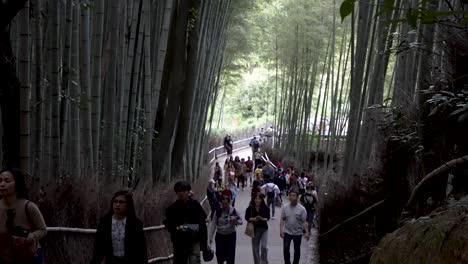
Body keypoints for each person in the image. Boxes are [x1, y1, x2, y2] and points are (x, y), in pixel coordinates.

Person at [0, 168, 47, 264]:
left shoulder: (29, 207)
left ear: (17, 183)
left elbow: (43, 230)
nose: (2, 184)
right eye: (0, 181)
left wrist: (29, 237)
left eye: (7, 181)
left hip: (30, 257)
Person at [91, 190, 147, 264]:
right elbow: (98, 249)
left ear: (128, 205)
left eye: (121, 202)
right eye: (115, 201)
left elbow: (141, 250)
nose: (117, 204)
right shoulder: (104, 222)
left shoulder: (135, 224)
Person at [164, 181, 208, 264]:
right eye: (179, 191)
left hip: (194, 240)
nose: (181, 193)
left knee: (194, 261)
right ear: (176, 193)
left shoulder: (195, 205)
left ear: (188, 192)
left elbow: (202, 225)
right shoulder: (172, 208)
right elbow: (168, 224)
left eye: (184, 191)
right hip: (179, 243)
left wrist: (204, 244)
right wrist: (176, 228)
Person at [209, 192, 243, 264]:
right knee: (219, 254)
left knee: (230, 256)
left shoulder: (233, 210)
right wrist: (210, 237)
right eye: (222, 204)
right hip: (220, 236)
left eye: (226, 204)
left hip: (230, 236)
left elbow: (241, 222)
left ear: (229, 203)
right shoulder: (218, 211)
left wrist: (235, 221)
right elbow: (213, 224)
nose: (224, 206)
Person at [280, 191, 309, 264]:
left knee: (297, 250)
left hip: (298, 232)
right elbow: (282, 219)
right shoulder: (285, 207)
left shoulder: (302, 209)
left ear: (297, 197)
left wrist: (306, 232)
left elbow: (304, 221)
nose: (291, 197)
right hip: (287, 231)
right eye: (290, 195)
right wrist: (281, 230)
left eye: (293, 195)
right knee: (286, 248)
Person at [245, 193, 270, 264]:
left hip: (264, 229)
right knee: (255, 249)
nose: (257, 200)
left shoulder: (265, 208)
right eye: (256, 198)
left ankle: (264, 261)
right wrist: (254, 219)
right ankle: (257, 262)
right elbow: (247, 217)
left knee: (264, 247)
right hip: (254, 230)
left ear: (262, 200)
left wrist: (262, 218)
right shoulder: (250, 208)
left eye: (259, 199)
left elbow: (267, 218)